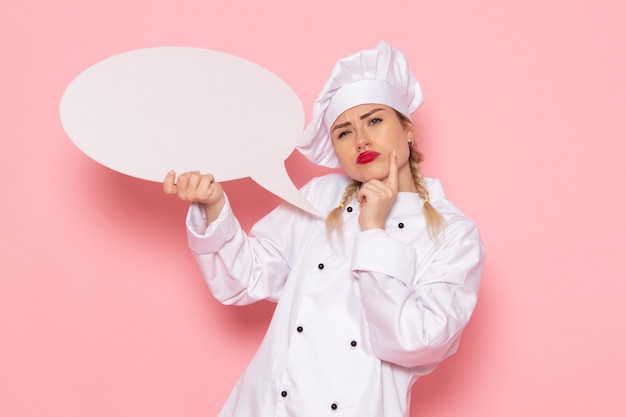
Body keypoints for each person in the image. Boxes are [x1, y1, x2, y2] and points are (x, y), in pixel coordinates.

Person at [163, 41, 485, 417]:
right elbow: (246, 279)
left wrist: (374, 231)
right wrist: (213, 204)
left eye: (375, 120)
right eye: (344, 132)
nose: (361, 138)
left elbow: (414, 341)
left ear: (408, 129)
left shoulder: (454, 233)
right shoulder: (320, 195)